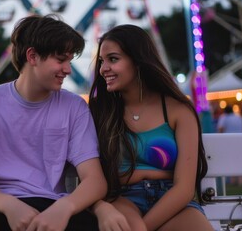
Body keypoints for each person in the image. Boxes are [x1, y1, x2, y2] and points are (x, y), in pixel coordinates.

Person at [0, 14, 107, 231]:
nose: (68, 69)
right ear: (32, 56)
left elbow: (95, 180)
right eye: (61, 60)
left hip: (51, 206)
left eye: (69, 61)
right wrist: (9, 206)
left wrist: (65, 207)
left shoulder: (74, 107)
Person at [89, 24, 214, 231]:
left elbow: (184, 188)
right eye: (102, 61)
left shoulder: (178, 109)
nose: (103, 69)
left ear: (138, 61)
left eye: (113, 59)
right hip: (124, 199)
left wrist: (144, 228)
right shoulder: (101, 112)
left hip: (173, 200)